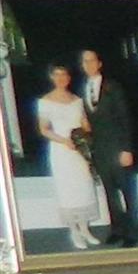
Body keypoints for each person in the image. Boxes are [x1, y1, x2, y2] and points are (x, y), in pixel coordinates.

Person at [32, 64, 103, 248]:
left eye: (64, 74)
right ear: (51, 77)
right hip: (61, 149)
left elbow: (84, 123)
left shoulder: (77, 100)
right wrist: (64, 141)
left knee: (84, 187)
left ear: (69, 78)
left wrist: (85, 136)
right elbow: (44, 129)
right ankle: (74, 231)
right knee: (68, 190)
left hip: (79, 149)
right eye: (57, 75)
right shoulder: (45, 101)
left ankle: (85, 229)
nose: (61, 78)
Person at [76, 46, 137, 247]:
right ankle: (116, 229)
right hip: (99, 149)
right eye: (85, 61)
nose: (89, 65)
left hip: (118, 148)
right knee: (109, 192)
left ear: (99, 63)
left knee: (126, 191)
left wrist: (126, 149)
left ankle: (131, 232)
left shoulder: (113, 86)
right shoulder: (83, 89)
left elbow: (125, 118)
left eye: (92, 60)